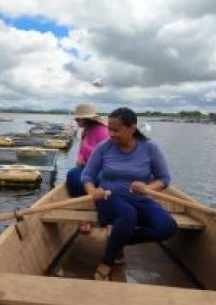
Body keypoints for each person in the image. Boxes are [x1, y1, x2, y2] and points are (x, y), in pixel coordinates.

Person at [80, 107, 177, 281]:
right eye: (109, 129)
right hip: (109, 197)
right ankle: (107, 261)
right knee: (127, 214)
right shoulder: (104, 148)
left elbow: (164, 179)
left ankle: (116, 240)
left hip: (139, 198)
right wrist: (93, 191)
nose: (110, 134)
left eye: (116, 130)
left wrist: (148, 189)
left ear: (132, 128)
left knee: (167, 227)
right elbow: (87, 176)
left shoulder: (150, 148)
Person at [66, 104, 109, 233]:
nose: (76, 121)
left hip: (102, 167)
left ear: (87, 119)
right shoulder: (85, 131)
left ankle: (104, 214)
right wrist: (79, 158)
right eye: (76, 118)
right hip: (88, 167)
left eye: (79, 119)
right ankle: (83, 215)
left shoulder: (102, 131)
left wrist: (87, 151)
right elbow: (81, 151)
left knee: (102, 180)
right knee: (72, 176)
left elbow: (106, 154)